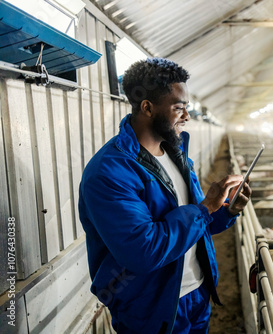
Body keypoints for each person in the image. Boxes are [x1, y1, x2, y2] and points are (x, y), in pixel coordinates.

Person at [78, 57, 251, 334]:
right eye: (179, 108)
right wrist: (205, 208)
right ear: (147, 107)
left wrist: (227, 210)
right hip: (150, 307)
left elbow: (197, 227)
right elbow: (144, 251)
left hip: (196, 292)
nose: (187, 117)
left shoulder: (176, 155)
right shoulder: (109, 172)